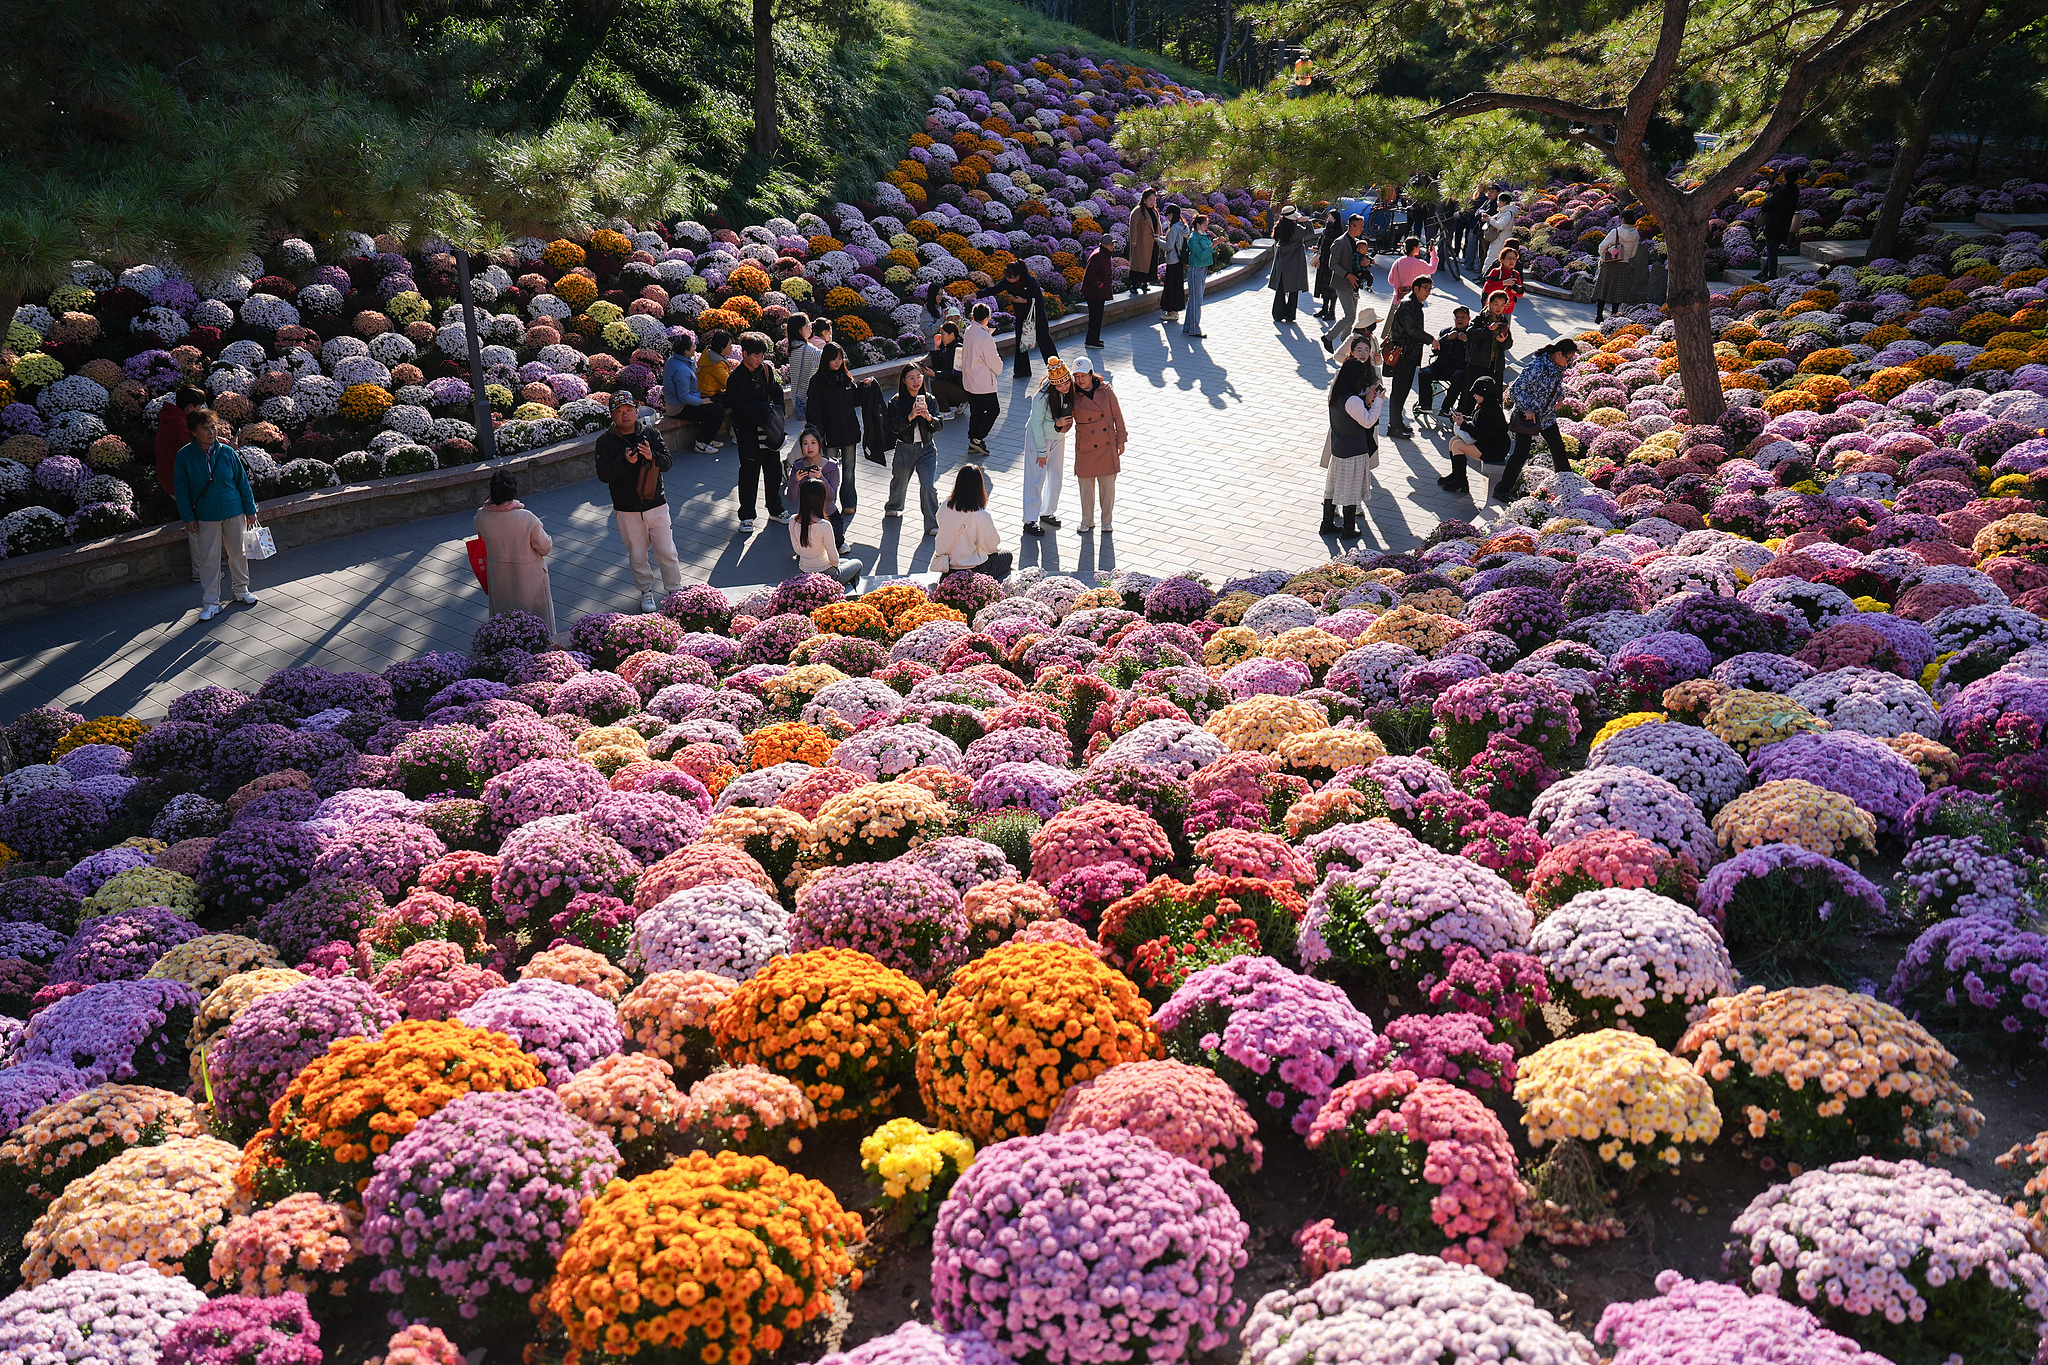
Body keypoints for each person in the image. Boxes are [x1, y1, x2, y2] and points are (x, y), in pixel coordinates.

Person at [593, 393, 680, 609]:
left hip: (656, 504)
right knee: (638, 555)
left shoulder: (651, 433)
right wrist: (624, 462)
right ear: (612, 415)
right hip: (627, 509)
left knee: (667, 551)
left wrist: (652, 457)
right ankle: (646, 591)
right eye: (619, 412)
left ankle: (675, 591)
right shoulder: (605, 441)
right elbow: (603, 474)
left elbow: (668, 462)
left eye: (629, 410)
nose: (625, 415)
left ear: (636, 410)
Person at [173, 407, 260, 621]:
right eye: (205, 428)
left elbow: (242, 482)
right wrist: (188, 517)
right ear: (194, 432)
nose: (212, 432)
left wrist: (251, 510)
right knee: (209, 559)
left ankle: (241, 590)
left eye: (213, 427)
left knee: (238, 552)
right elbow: (181, 490)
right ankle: (211, 602)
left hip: (233, 510)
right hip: (205, 514)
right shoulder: (184, 456)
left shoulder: (228, 452)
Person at [474, 471, 556, 632]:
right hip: (529, 577)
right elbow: (545, 547)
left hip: (499, 577)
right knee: (537, 622)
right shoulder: (527, 518)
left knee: (505, 622)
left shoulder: (481, 516)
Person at [1497, 339, 1579, 500]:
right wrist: (1527, 408)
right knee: (1521, 452)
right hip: (1528, 417)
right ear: (1558, 354)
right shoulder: (1537, 367)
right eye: (1568, 359)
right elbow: (1515, 390)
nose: (1569, 363)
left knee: (1557, 447)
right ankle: (1502, 489)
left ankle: (1568, 482)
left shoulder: (1557, 367)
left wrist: (1560, 396)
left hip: (1547, 416)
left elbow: (1557, 385)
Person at [724, 331, 787, 531]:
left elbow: (777, 392)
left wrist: (777, 413)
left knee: (773, 472)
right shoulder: (735, 379)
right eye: (756, 355)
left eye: (762, 355)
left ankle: (775, 509)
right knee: (749, 475)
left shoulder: (766, 371)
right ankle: (747, 516)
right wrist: (761, 408)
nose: (759, 359)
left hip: (770, 433)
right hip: (749, 435)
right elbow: (739, 407)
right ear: (744, 353)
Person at [805, 343, 867, 524]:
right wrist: (817, 435)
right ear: (826, 359)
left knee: (849, 469)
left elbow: (855, 400)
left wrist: (865, 387)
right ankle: (827, 504)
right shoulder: (817, 382)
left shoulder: (846, 378)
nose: (838, 362)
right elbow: (814, 410)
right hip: (829, 434)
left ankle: (848, 501)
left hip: (848, 432)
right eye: (834, 359)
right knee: (828, 471)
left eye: (840, 359)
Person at [1319, 356, 1380, 538]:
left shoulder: (1336, 395)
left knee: (1333, 487)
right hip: (1354, 450)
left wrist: (1367, 400)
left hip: (1338, 449)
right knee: (1351, 489)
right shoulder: (1352, 400)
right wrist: (1378, 401)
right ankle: (1348, 528)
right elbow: (1368, 421)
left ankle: (1327, 523)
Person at [156, 385, 208, 581]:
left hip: (171, 481)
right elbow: (197, 454)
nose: (201, 411)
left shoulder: (170, 420)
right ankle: (202, 572)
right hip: (184, 485)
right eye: (199, 407)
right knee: (198, 528)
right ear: (189, 407)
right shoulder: (181, 427)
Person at [1068, 358, 1125, 533]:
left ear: (1091, 374)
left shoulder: (1106, 391)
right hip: (1085, 446)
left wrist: (1120, 439)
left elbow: (1117, 416)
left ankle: (1107, 521)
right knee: (1086, 488)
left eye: (1083, 375)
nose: (1080, 380)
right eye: (1076, 376)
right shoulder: (1072, 395)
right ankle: (1087, 520)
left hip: (1106, 445)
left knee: (1107, 488)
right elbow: (1066, 421)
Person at [886, 365, 943, 535]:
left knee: (928, 485)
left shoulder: (930, 400)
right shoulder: (896, 402)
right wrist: (910, 417)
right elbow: (894, 427)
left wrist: (928, 418)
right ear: (903, 380)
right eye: (911, 377)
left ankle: (932, 523)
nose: (916, 381)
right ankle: (893, 505)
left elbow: (939, 425)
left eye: (919, 376)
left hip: (927, 449)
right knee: (899, 482)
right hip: (905, 449)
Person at [1021, 357, 1074, 537]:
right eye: (1060, 385)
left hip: (1058, 438)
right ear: (1052, 384)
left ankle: (1047, 512)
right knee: (1035, 478)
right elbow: (1036, 425)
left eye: (1066, 382)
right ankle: (1029, 519)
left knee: (1056, 476)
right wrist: (1042, 450)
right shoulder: (1041, 396)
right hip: (1038, 439)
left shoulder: (1070, 390)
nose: (1065, 387)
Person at [1439, 292, 1513, 416]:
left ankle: (1490, 422)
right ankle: (1463, 419)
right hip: (1478, 363)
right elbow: (1471, 334)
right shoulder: (1481, 318)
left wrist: (1503, 341)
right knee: (1470, 394)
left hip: (1496, 365)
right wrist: (1488, 330)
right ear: (1489, 303)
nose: (1499, 308)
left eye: (1502, 305)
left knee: (1494, 395)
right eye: (1496, 304)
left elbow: (1509, 343)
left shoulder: (1503, 320)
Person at [1439, 374, 1508, 497]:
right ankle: (1456, 474)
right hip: (1487, 443)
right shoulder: (1486, 405)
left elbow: (1481, 434)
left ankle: (1462, 481)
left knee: (1457, 445)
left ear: (1485, 394)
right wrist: (1463, 418)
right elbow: (1477, 423)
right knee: (1453, 440)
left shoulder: (1490, 410)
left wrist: (1463, 424)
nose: (1474, 395)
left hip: (1494, 449)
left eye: (1477, 393)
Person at [934, 464, 1009, 578]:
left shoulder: (946, 504)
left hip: (947, 566)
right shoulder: (980, 515)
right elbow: (992, 547)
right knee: (1007, 555)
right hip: (972, 569)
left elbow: (940, 522)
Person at [783, 425, 848, 547]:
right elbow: (791, 498)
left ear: (819, 443)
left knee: (837, 544)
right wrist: (796, 480)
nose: (809, 447)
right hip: (806, 516)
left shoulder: (831, 466)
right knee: (808, 547)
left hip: (829, 514)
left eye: (813, 443)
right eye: (805, 443)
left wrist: (821, 478)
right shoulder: (798, 466)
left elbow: (831, 497)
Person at [1384, 275, 1432, 439]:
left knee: (1403, 390)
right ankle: (1394, 425)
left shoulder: (1416, 306)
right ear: (1416, 288)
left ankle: (1397, 422)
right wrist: (1431, 340)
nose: (1428, 292)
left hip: (1410, 355)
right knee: (1399, 391)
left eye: (1430, 289)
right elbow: (1413, 331)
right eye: (1425, 288)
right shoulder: (1407, 307)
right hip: (1403, 355)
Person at [790, 479, 863, 585]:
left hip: (804, 570)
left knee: (846, 562)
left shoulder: (793, 520)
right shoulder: (823, 525)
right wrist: (834, 565)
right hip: (827, 574)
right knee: (857, 563)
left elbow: (797, 550)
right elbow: (833, 558)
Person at [661, 335, 724, 452]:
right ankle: (702, 443)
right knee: (717, 410)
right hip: (679, 408)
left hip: (679, 402)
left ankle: (709, 438)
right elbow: (684, 397)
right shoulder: (681, 370)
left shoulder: (673, 360)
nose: (695, 347)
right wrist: (702, 401)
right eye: (693, 346)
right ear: (686, 352)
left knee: (718, 399)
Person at [999, 261, 1058, 378]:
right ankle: (1022, 371)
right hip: (1022, 316)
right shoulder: (1007, 281)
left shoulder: (1030, 281)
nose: (1009, 280)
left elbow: (1039, 300)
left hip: (1037, 315)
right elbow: (994, 289)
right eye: (1007, 277)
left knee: (1044, 341)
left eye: (1012, 277)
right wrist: (974, 295)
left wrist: (1024, 301)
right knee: (1021, 343)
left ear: (1018, 275)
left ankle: (1055, 368)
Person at [1322, 214, 1369, 353]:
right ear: (1352, 225)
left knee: (1351, 317)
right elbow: (1332, 264)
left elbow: (1354, 261)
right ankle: (1328, 337)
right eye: (1360, 226)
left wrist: (1364, 263)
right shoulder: (1340, 242)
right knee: (1350, 315)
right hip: (1342, 284)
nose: (1362, 229)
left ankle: (1345, 344)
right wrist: (1347, 275)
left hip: (1354, 284)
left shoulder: (1355, 242)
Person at [1591, 207, 1648, 322]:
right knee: (1618, 291)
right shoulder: (1635, 233)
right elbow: (1633, 253)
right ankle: (1614, 316)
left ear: (1622, 219)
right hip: (1623, 265)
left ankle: (1599, 316)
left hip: (1610, 264)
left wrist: (1605, 256)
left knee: (1604, 289)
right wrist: (1625, 257)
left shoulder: (1616, 232)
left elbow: (1602, 247)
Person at [961, 303, 1002, 455]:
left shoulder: (969, 331)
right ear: (987, 318)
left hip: (970, 381)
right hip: (983, 382)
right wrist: (1000, 368)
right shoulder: (984, 337)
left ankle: (973, 442)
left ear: (973, 316)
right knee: (993, 409)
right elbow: (993, 360)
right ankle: (977, 439)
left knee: (977, 411)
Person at [1414, 305, 1470, 416]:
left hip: (1459, 368)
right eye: (1457, 317)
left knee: (1460, 376)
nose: (1460, 319)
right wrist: (1447, 338)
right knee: (1424, 372)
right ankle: (1425, 405)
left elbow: (1475, 353)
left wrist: (1466, 341)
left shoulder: (1472, 334)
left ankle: (1446, 408)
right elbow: (1435, 350)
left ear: (1469, 318)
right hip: (1441, 366)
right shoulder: (1446, 332)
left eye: (1463, 317)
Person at [1269, 206, 1311, 322]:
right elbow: (1309, 232)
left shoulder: (1278, 227)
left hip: (1281, 260)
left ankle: (1277, 314)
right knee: (1294, 289)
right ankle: (1290, 315)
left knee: (1280, 289)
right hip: (1294, 262)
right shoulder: (1297, 229)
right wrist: (1304, 221)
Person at [1762, 168, 1801, 280]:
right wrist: (1776, 188)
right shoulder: (1794, 190)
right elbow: (1784, 194)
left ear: (1785, 178)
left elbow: (1766, 206)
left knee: (1772, 250)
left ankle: (1772, 274)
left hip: (1774, 224)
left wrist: (1767, 196)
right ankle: (1764, 272)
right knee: (1773, 248)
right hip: (1785, 224)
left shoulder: (1782, 192)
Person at [924, 318, 970, 416]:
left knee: (936, 383)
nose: (941, 337)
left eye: (943, 334)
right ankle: (959, 404)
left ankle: (946, 412)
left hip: (962, 388)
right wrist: (936, 348)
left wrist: (935, 374)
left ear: (952, 335)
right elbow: (939, 365)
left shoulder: (958, 348)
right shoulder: (947, 347)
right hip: (954, 385)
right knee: (934, 380)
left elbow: (955, 373)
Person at [697, 328, 732, 450]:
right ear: (722, 346)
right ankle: (701, 442)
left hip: (713, 393)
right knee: (720, 409)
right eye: (729, 344)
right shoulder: (715, 363)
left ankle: (735, 431)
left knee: (736, 398)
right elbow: (728, 383)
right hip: (707, 395)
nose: (731, 347)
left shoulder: (713, 355)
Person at [1182, 215, 1215, 338]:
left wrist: (1215, 244)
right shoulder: (1193, 239)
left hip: (1203, 269)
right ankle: (1195, 329)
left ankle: (1188, 327)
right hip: (1196, 270)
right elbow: (1201, 255)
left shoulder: (1203, 236)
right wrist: (1213, 245)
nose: (1206, 228)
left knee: (1194, 299)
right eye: (1204, 225)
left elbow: (1208, 250)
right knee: (1197, 301)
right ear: (1198, 225)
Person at [785, 315, 823, 421]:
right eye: (807, 324)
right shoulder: (808, 350)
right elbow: (828, 358)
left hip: (798, 397)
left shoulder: (793, 348)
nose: (810, 326)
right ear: (799, 329)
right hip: (808, 399)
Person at [1312, 208, 1345, 320]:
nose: (1328, 220)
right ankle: (1324, 308)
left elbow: (1330, 239)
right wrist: (1317, 248)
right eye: (1328, 217)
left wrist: (1330, 226)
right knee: (1323, 286)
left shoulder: (1338, 232)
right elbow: (1322, 241)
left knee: (1331, 288)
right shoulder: (1327, 230)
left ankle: (1332, 311)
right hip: (1324, 261)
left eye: (1331, 218)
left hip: (1333, 263)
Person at [1160, 205, 1190, 323]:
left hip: (1173, 260)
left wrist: (1157, 241)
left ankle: (1171, 312)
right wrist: (1161, 238)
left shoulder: (1173, 228)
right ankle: (1175, 311)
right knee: (1177, 286)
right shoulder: (1183, 227)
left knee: (1170, 286)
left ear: (1172, 214)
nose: (1167, 217)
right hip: (1180, 260)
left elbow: (1168, 246)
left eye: (1168, 214)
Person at [1128, 189, 1162, 294]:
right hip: (1141, 243)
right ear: (1144, 199)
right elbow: (1133, 226)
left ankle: (1144, 283)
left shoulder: (1154, 211)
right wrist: (1133, 240)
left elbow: (1158, 225)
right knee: (1138, 264)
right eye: (1150, 199)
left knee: (1150, 263)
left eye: (1154, 200)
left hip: (1152, 242)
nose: (1152, 202)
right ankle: (1133, 285)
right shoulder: (1138, 211)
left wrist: (1159, 237)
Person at [1081, 241, 1114, 348]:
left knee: (1097, 316)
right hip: (1094, 292)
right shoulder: (1098, 255)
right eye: (1111, 244)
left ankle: (1094, 339)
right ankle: (1091, 341)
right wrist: (1099, 284)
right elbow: (1090, 273)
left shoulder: (1104, 254)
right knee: (1095, 316)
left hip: (1098, 292)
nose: (1113, 246)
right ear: (1105, 244)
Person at [1387, 236, 1439, 302]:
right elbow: (1432, 269)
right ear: (1414, 248)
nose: (1419, 249)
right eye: (1419, 247)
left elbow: (1391, 280)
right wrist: (1433, 254)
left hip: (1397, 298)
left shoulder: (1397, 262)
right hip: (1412, 300)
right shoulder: (1418, 263)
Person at [1482, 244, 1527, 317]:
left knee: (1504, 328)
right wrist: (1504, 283)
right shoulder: (1496, 272)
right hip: (1493, 310)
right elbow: (1487, 288)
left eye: (1514, 258)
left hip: (1508, 310)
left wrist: (1516, 292)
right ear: (1502, 260)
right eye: (1509, 258)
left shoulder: (1515, 274)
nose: (1512, 261)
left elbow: (1521, 293)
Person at [1482, 192, 1520, 270]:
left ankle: (1487, 276)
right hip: (1497, 239)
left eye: (1499, 201)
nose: (1498, 203)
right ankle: (1484, 275)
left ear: (1505, 202)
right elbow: (1493, 219)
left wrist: (1490, 220)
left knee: (1492, 259)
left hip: (1501, 240)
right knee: (1490, 257)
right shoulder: (1502, 212)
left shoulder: (1508, 213)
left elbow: (1501, 226)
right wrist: (1487, 218)